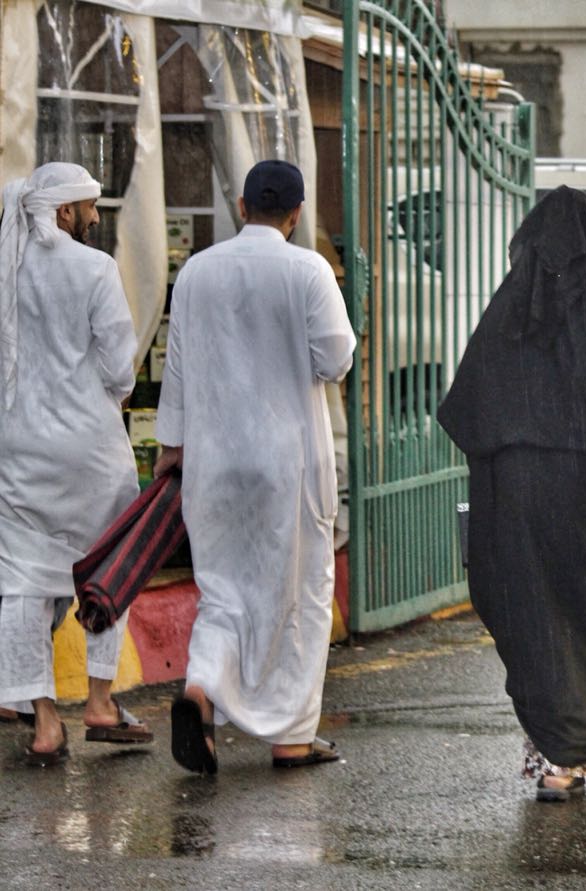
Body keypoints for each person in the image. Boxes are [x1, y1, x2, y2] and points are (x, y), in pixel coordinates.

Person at [437, 186, 586, 802]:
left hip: (510, 488)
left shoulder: (507, 310)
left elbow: (466, 407)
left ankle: (567, 754)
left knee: (530, 612)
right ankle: (580, 752)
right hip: (584, 491)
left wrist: (511, 455)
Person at [154, 159, 356, 772]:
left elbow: (179, 367)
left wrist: (170, 447)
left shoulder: (196, 271)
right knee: (297, 592)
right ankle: (291, 734)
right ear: (295, 215)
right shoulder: (308, 269)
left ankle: (200, 687)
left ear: (242, 206)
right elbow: (337, 359)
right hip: (287, 463)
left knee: (223, 592)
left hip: (215, 459)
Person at [0, 161, 153, 766]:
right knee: (106, 569)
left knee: (21, 583)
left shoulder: (5, 271)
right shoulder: (95, 268)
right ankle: (98, 700)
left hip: (17, 448)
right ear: (64, 213)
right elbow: (119, 369)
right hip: (89, 448)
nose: (95, 215)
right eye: (90, 206)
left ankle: (43, 721)